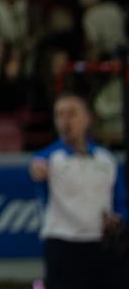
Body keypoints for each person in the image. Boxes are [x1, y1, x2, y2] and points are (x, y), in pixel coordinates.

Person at [30, 93, 127, 288]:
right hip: (63, 243)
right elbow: (37, 167)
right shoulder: (49, 158)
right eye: (59, 114)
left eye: (72, 113)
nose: (65, 120)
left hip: (103, 243)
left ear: (87, 118)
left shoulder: (106, 159)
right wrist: (36, 168)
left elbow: (120, 200)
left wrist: (119, 218)